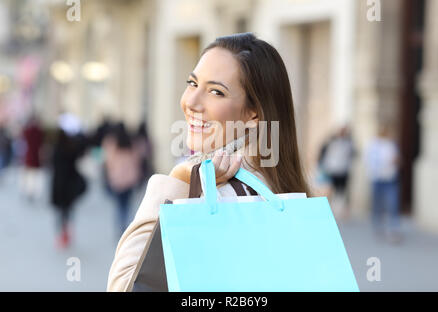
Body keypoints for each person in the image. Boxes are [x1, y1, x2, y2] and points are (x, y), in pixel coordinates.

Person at [107, 32, 311, 291]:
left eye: (216, 92)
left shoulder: (212, 198)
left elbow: (123, 285)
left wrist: (178, 177)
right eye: (192, 83)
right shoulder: (282, 192)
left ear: (254, 114)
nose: (191, 102)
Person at [50, 114, 88, 249]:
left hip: (59, 186)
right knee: (68, 211)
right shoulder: (71, 149)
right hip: (69, 186)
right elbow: (82, 148)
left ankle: (61, 235)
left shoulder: (55, 150)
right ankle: (67, 234)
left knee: (60, 213)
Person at [103, 123, 142, 238]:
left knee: (119, 205)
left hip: (117, 179)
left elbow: (108, 162)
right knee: (127, 205)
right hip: (130, 179)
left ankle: (120, 228)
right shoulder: (131, 143)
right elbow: (137, 161)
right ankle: (127, 227)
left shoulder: (111, 143)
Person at [365, 125, 402, 244]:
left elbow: (398, 160)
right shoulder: (373, 144)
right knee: (378, 204)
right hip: (378, 178)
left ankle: (393, 229)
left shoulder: (391, 144)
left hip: (389, 178)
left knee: (392, 204)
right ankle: (378, 226)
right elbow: (368, 159)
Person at [21, 116, 44, 203]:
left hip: (31, 156)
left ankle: (30, 191)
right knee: (33, 176)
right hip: (35, 156)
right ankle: (31, 191)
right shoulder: (38, 131)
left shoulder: (30, 131)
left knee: (31, 176)